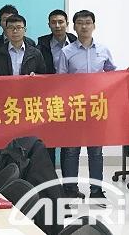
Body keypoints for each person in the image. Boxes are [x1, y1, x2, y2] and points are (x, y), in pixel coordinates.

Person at [57, 10, 129, 203]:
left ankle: (96, 191)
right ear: (74, 27)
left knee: (95, 152)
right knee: (71, 152)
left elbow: (111, 74)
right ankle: (70, 189)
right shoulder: (66, 52)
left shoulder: (103, 50)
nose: (84, 26)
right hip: (74, 109)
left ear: (94, 25)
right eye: (80, 23)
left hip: (96, 109)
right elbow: (59, 81)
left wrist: (127, 73)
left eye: (88, 22)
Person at [0, 14, 46, 180]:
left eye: (18, 28)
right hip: (5, 106)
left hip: (27, 106)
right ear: (6, 31)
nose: (15, 31)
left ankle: (26, 180)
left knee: (26, 144)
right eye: (11, 28)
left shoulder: (35, 53)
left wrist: (37, 78)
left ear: (25, 30)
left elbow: (45, 77)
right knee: (2, 144)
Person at [37, 9, 77, 167]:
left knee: (69, 143)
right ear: (49, 25)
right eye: (53, 22)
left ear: (67, 24)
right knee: (48, 142)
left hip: (71, 99)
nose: (57, 25)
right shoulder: (41, 44)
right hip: (48, 99)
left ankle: (68, 180)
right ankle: (49, 179)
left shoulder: (76, 42)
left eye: (61, 22)